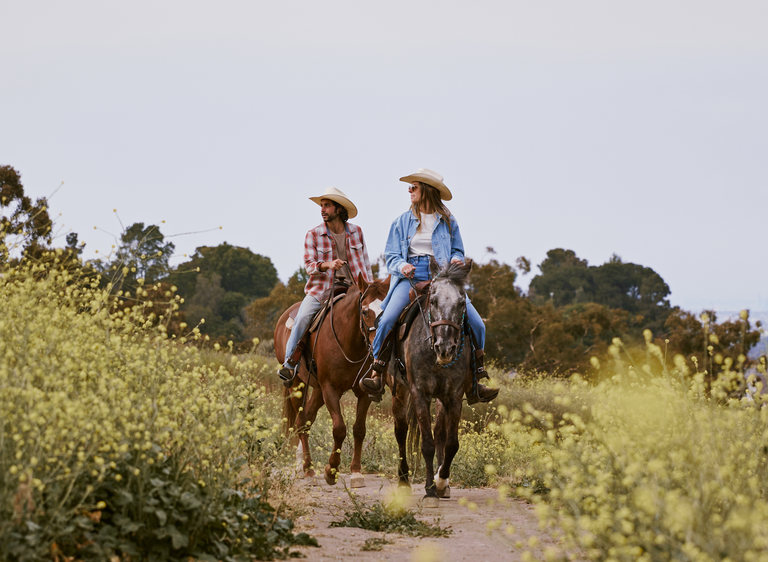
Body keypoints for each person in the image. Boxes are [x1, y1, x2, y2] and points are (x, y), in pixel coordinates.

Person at [360, 168, 499, 404]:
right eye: (410, 187)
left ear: (426, 190)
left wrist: (456, 259)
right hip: (410, 278)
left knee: (477, 324)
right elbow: (391, 255)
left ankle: (475, 380)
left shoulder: (448, 221)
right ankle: (378, 372)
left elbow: (457, 250)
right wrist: (402, 265)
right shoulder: (401, 222)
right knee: (386, 318)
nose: (409, 191)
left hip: (442, 278)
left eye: (414, 187)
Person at [278, 187, 374, 386]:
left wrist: (370, 288)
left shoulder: (356, 232)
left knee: (376, 317)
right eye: (322, 206)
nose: (322, 209)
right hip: (321, 289)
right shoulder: (313, 234)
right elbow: (309, 266)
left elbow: (365, 263)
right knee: (303, 317)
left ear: (339, 209)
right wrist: (327, 265)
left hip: (354, 288)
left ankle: (379, 369)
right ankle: (290, 363)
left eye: (327, 206)